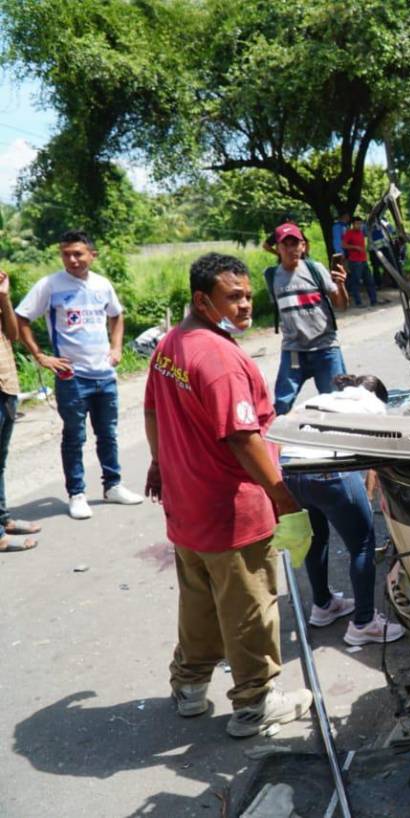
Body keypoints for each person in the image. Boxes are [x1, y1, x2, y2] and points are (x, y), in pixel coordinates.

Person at [144, 251, 312, 738]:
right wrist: (286, 502)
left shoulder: (170, 345)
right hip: (230, 512)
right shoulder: (219, 360)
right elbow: (243, 437)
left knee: (199, 603)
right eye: (233, 297)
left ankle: (190, 686)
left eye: (248, 295)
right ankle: (256, 704)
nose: (245, 306)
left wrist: (160, 462)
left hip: (187, 508)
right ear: (203, 299)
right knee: (248, 606)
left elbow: (153, 411)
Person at [16, 229, 144, 519]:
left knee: (108, 434)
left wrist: (116, 347)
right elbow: (22, 317)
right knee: (74, 437)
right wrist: (40, 355)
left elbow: (117, 314)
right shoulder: (50, 285)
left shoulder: (102, 284)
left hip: (104, 375)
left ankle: (113, 485)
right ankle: (77, 493)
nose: (72, 260)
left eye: (78, 253)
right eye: (66, 254)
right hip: (71, 377)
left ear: (92, 255)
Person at [280, 373, 406, 646]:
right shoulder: (375, 407)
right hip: (329, 471)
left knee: (316, 537)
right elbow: (379, 461)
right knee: (362, 544)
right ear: (378, 395)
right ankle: (363, 623)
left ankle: (323, 605)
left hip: (290, 469)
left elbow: (285, 424)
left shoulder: (322, 398)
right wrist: (375, 498)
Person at [264, 222, 349, 415]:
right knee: (281, 406)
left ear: (303, 246)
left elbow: (342, 306)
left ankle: (338, 444)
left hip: (325, 349)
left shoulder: (315, 269)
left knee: (337, 404)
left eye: (295, 243)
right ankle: (275, 445)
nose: (291, 249)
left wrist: (340, 285)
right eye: (285, 244)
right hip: (294, 351)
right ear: (277, 248)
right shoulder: (271, 276)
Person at [0, 267, 40, 551]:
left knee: (0, 461)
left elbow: (12, 334)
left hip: (6, 384)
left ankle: (3, 520)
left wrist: (4, 298)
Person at [342, 215, 378, 307]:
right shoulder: (349, 233)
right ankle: (358, 302)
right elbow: (344, 245)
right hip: (354, 261)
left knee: (369, 281)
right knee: (356, 282)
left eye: (360, 224)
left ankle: (374, 300)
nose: (359, 225)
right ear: (353, 224)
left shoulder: (361, 233)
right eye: (357, 224)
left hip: (363, 260)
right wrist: (355, 247)